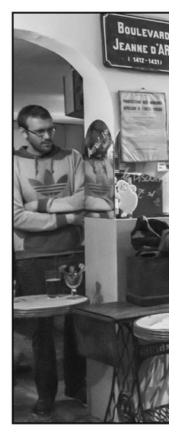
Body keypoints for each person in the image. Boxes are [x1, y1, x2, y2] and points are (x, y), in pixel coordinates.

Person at [13, 104, 86, 417]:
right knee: (40, 331)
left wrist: (39, 205)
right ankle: (46, 395)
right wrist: (66, 217)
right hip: (32, 256)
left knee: (78, 324)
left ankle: (79, 388)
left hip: (74, 251)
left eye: (50, 129)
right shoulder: (11, 163)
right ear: (23, 132)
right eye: (39, 131)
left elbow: (84, 199)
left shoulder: (73, 157)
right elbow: (15, 216)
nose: (47, 136)